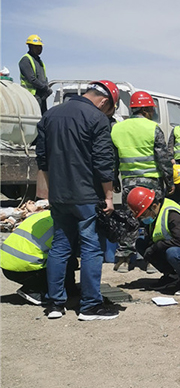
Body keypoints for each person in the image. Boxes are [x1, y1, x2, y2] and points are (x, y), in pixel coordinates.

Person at [36, 80, 120, 320]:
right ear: (104, 101)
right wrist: (108, 196)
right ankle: (90, 305)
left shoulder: (50, 115)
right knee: (91, 248)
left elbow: (42, 159)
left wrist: (52, 191)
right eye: (108, 109)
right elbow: (104, 162)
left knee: (60, 246)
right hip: (86, 196)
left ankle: (54, 304)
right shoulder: (97, 119)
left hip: (60, 196)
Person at [110, 90, 173, 270]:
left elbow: (113, 159)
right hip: (152, 182)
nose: (153, 114)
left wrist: (115, 179)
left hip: (129, 183)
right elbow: (163, 159)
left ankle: (123, 260)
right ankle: (152, 261)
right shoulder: (153, 128)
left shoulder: (117, 129)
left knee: (129, 219)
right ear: (145, 110)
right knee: (152, 219)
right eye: (152, 110)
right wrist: (170, 182)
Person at [127, 186, 180, 296]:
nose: (142, 218)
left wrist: (155, 247)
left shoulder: (172, 215)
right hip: (179, 250)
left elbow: (179, 242)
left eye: (143, 215)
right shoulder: (154, 214)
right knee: (141, 243)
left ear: (154, 206)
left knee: (172, 253)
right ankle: (171, 276)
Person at [0, 210, 76, 309]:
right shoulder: (66, 225)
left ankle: (36, 286)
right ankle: (35, 290)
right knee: (65, 260)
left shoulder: (43, 215)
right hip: (25, 269)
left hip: (6, 265)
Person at [19, 34, 51, 115]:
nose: (39, 49)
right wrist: (44, 88)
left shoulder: (39, 61)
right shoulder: (25, 60)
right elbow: (31, 79)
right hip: (31, 96)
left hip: (40, 95)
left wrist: (46, 87)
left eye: (40, 46)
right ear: (30, 47)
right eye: (37, 46)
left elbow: (43, 78)